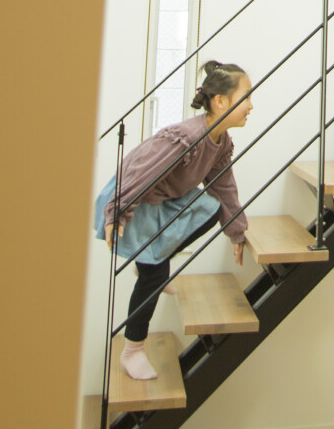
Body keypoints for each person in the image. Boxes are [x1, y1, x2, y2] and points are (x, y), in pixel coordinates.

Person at [100, 61, 254, 381]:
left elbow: (223, 186)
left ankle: (155, 260)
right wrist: (118, 210)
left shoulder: (220, 141)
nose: (251, 105)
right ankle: (132, 350)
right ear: (221, 101)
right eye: (246, 97)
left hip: (163, 201)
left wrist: (236, 230)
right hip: (135, 199)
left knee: (210, 207)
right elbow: (142, 170)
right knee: (154, 275)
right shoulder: (186, 137)